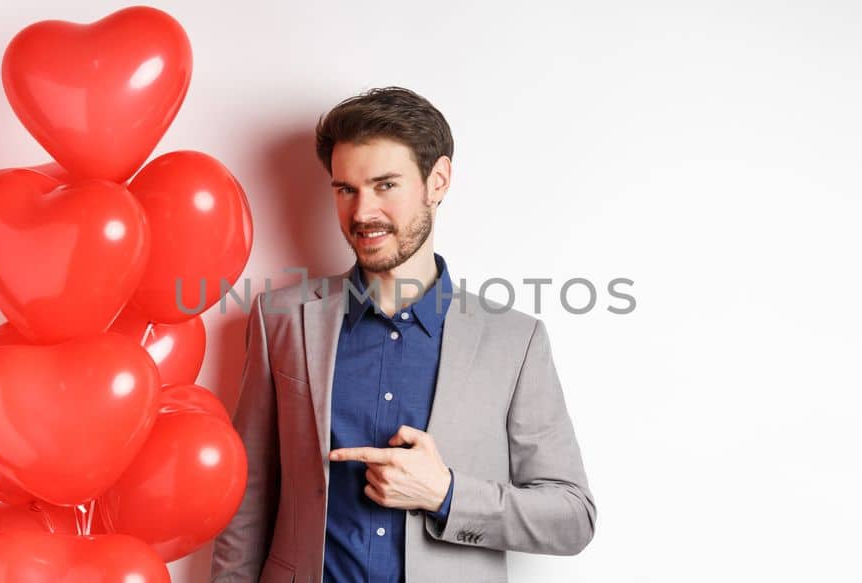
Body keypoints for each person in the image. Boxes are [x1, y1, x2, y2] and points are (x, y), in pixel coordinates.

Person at [211, 87, 595, 583]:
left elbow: (572, 517)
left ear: (437, 181)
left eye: (385, 185)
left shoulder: (515, 342)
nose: (362, 211)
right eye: (345, 188)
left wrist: (446, 495)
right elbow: (247, 499)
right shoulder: (279, 318)